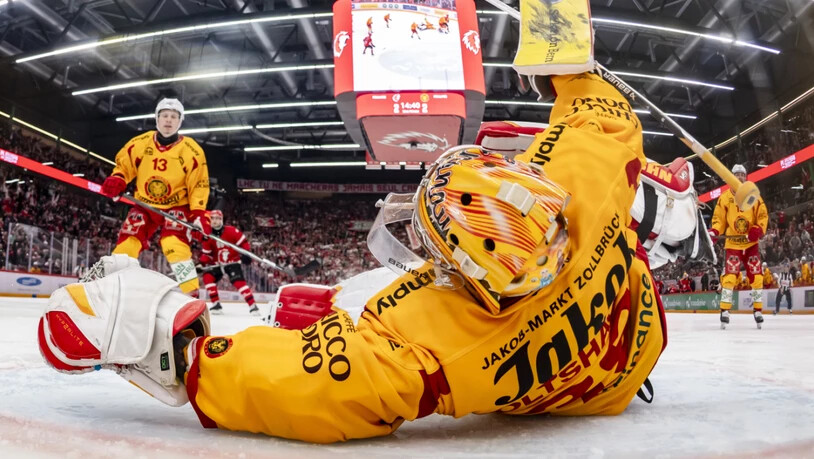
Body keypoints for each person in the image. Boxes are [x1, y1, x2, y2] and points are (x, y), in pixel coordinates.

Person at [38, 71, 669, 443]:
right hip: (626, 350)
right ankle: (667, 218)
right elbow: (602, 119)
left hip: (583, 374)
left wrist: (172, 350)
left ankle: (669, 216)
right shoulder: (585, 196)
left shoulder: (437, 348)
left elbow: (311, 386)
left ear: (465, 275)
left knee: (351, 299)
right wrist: (571, 70)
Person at [99, 98, 211, 294]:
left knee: (174, 245)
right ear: (157, 119)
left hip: (176, 207)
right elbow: (124, 166)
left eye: (174, 117)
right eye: (165, 116)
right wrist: (118, 179)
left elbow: (199, 183)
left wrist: (198, 212)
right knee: (127, 243)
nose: (168, 120)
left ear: (180, 121)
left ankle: (191, 292)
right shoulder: (139, 143)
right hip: (144, 205)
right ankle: (109, 287)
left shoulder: (192, 150)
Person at [708, 164, 768, 330]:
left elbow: (762, 215)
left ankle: (757, 310)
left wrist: (758, 229)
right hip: (733, 244)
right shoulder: (725, 198)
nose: (740, 177)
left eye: (743, 174)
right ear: (730, 178)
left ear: (746, 177)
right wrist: (714, 231)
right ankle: (725, 311)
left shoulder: (753, 195)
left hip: (751, 245)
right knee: (729, 278)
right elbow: (719, 218)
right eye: (737, 174)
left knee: (756, 278)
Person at [199, 210, 259, 316]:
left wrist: (246, 254)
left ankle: (253, 306)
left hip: (232, 262)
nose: (215, 221)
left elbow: (243, 243)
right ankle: (216, 304)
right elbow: (206, 255)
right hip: (217, 264)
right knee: (207, 277)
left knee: (239, 283)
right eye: (212, 218)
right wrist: (201, 264)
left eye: (218, 218)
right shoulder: (207, 235)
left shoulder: (231, 231)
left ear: (222, 220)